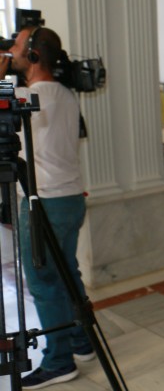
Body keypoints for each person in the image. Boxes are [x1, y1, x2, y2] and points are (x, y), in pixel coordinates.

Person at [0, 27, 94, 389]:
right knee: (67, 271)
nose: (11, 50)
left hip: (45, 202)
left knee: (43, 281)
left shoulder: (29, 97)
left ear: (34, 56)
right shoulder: (66, 94)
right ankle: (80, 340)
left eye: (17, 46)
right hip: (71, 199)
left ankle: (58, 361)